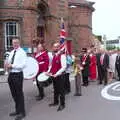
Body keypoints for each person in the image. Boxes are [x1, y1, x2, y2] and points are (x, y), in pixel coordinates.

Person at [5, 37, 27, 120]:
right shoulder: (12, 52)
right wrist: (7, 66)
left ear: (19, 43)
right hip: (11, 75)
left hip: (18, 75)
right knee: (14, 94)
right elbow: (9, 62)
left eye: (16, 42)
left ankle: (22, 112)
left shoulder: (22, 53)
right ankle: (17, 110)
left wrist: (12, 65)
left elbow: (23, 65)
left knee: (19, 94)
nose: (15, 44)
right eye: (13, 43)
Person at [46, 42, 67, 111]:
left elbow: (64, 67)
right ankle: (56, 102)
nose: (55, 48)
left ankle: (62, 104)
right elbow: (52, 66)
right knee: (55, 90)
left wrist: (57, 74)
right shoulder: (54, 56)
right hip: (54, 76)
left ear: (59, 47)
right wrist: (48, 72)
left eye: (56, 47)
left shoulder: (62, 56)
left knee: (61, 91)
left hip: (60, 76)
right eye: (54, 47)